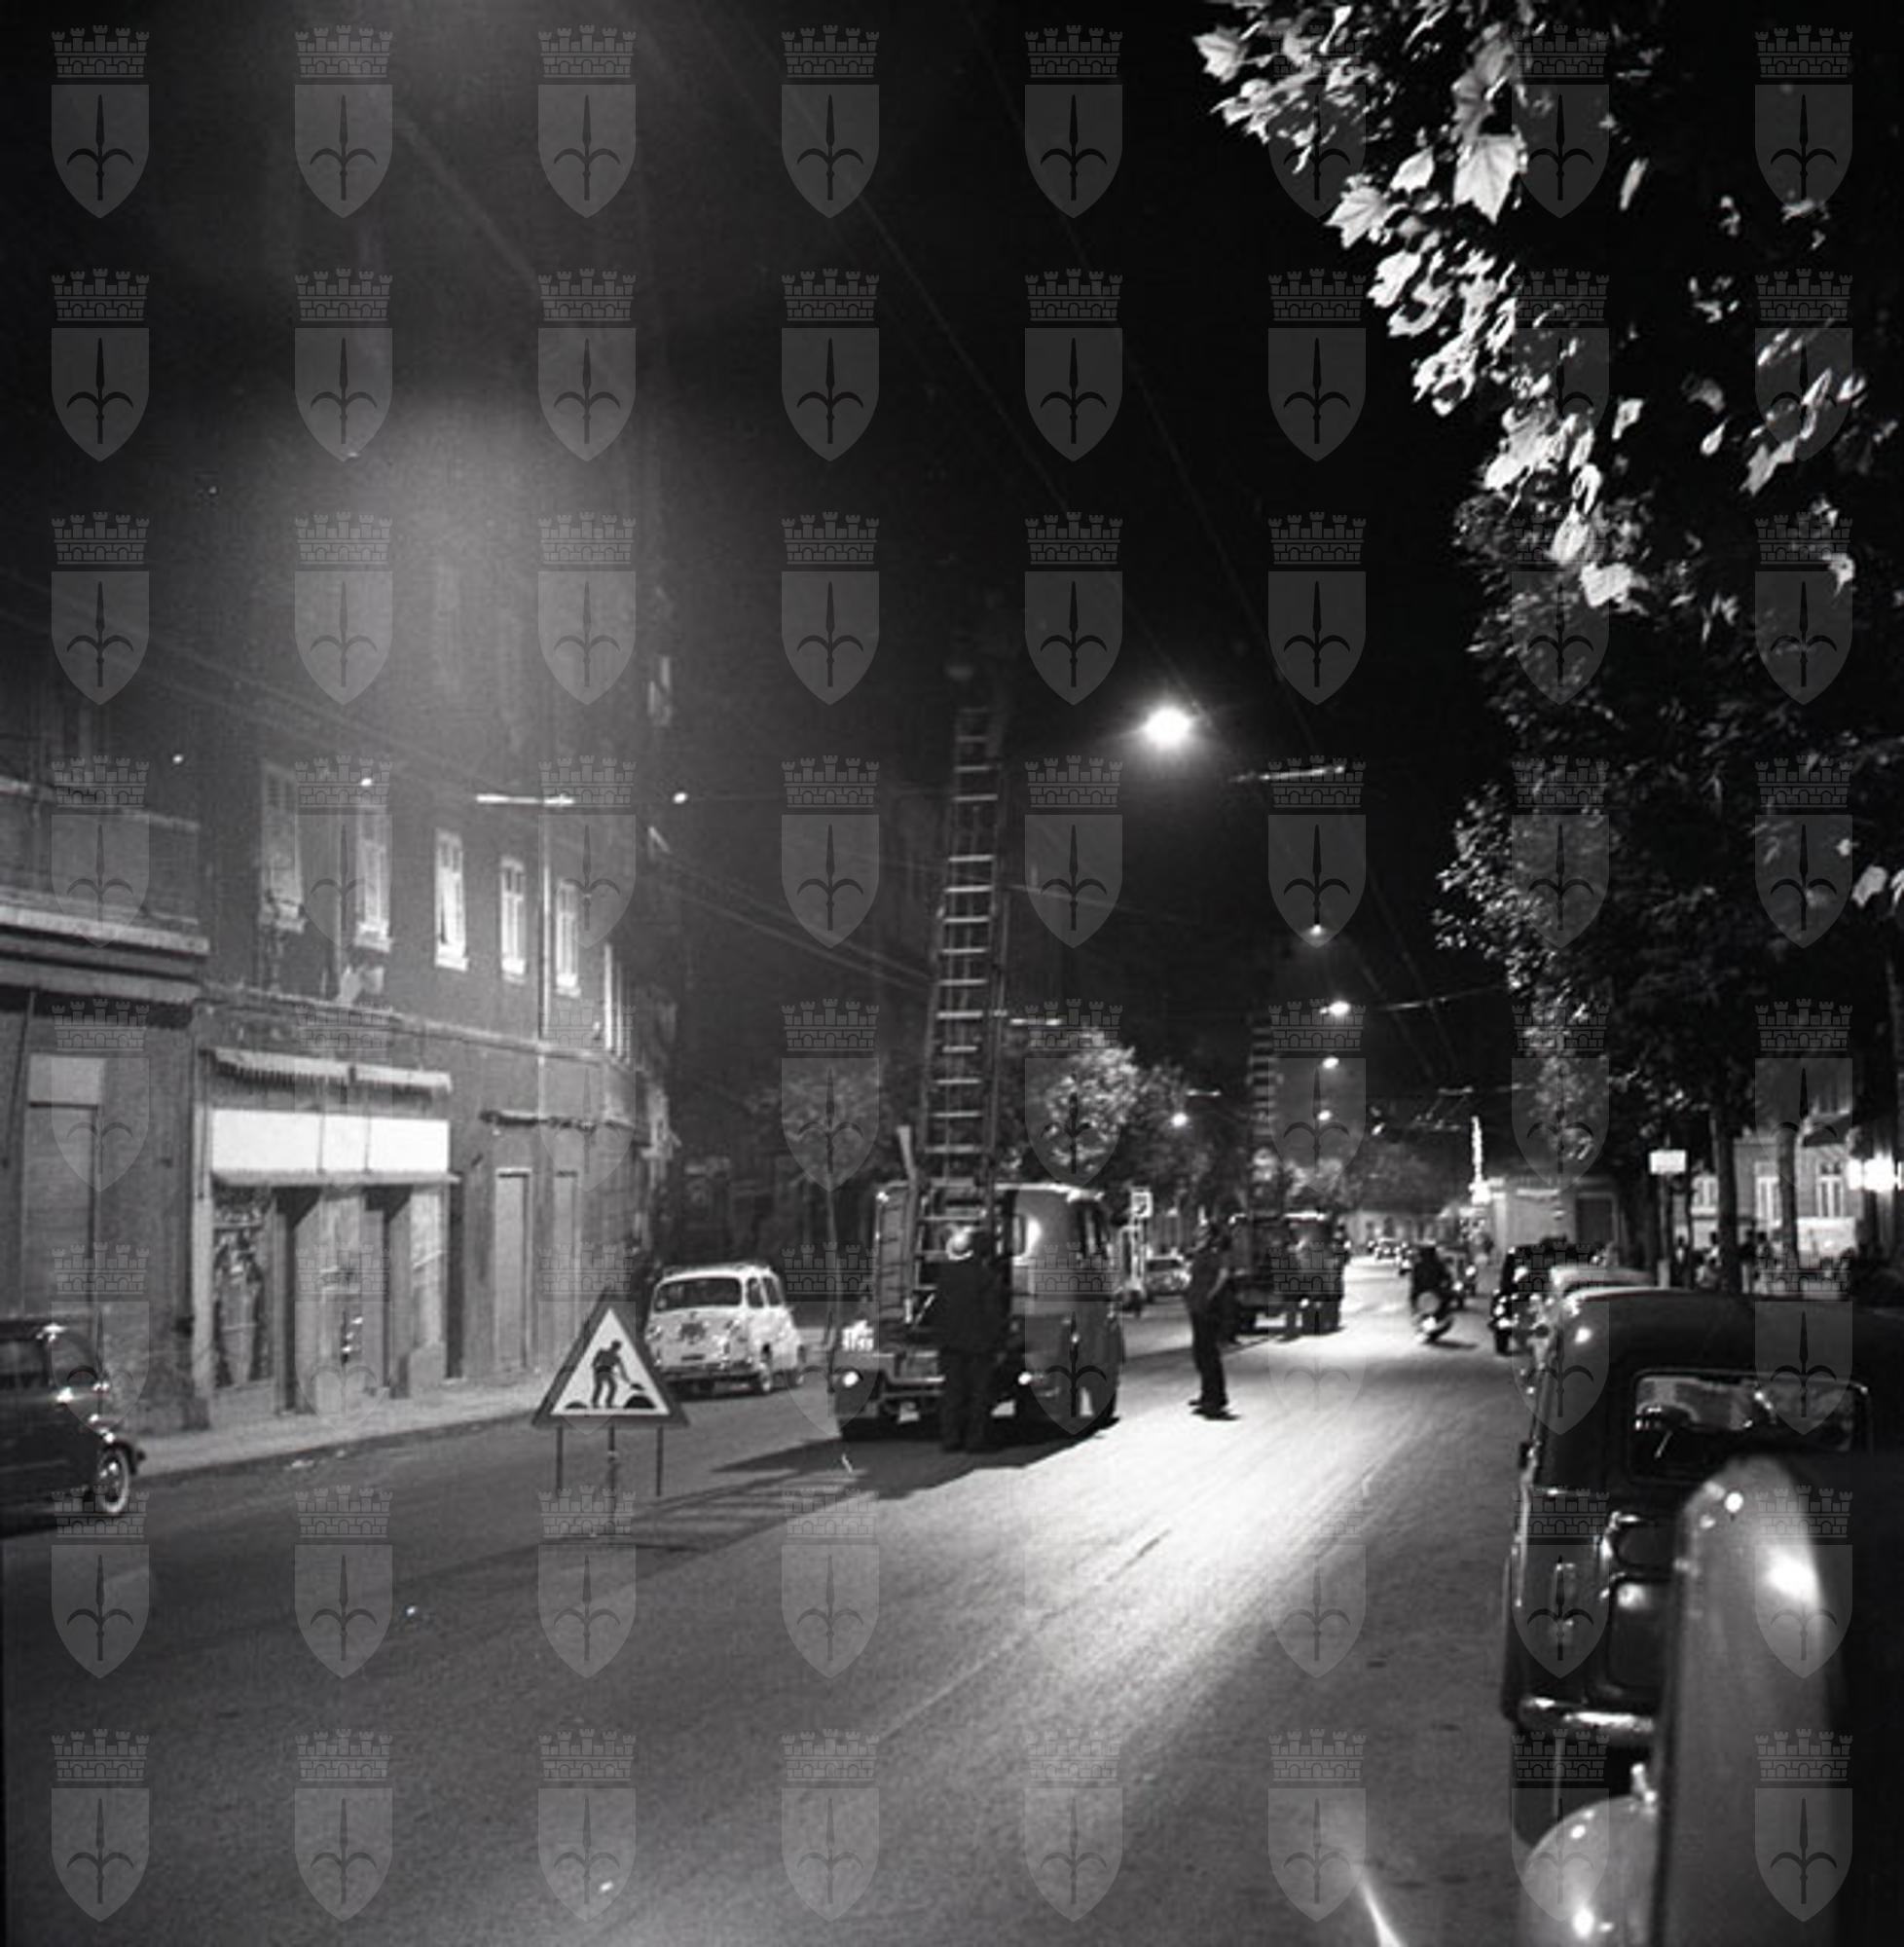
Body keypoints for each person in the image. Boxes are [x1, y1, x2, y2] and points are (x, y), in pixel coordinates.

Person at [932, 1228, 1009, 1452]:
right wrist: (999, 1343)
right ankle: (975, 1440)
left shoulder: (946, 1274)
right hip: (979, 1345)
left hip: (950, 1344)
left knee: (952, 1393)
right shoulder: (986, 1277)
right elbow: (992, 1314)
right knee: (979, 1394)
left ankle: (950, 1438)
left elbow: (939, 1309)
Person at [1184, 1226, 1234, 1418]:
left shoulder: (1213, 1253)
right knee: (1201, 1354)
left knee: (1208, 1354)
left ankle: (1215, 1397)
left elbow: (1223, 1274)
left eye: (1202, 1232)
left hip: (1206, 1310)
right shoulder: (1200, 1253)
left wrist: (1210, 1296)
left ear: (1209, 1236)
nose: (1197, 1234)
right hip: (1198, 1308)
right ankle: (1207, 1394)